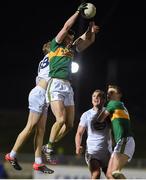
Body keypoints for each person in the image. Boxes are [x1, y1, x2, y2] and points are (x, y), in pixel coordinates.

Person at [42, 2, 100, 164]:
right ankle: (49, 148)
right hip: (55, 85)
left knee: (69, 125)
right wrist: (77, 12)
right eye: (69, 35)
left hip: (67, 86)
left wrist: (90, 30)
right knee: (60, 120)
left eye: (72, 36)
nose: (71, 37)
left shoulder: (72, 48)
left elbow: (87, 41)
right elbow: (67, 26)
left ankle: (48, 145)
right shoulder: (56, 45)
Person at [5, 42, 54, 174]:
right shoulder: (52, 55)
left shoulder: (46, 59)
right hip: (39, 93)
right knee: (30, 127)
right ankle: (12, 155)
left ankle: (38, 162)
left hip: (44, 96)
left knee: (41, 130)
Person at [92, 85, 135, 179]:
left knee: (115, 172)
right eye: (108, 93)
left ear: (119, 95)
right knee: (109, 175)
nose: (108, 94)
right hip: (123, 142)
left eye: (112, 92)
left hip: (125, 141)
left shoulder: (113, 103)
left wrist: (98, 109)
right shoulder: (120, 105)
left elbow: (99, 120)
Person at [75, 89, 112, 179]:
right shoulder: (86, 115)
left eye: (98, 96)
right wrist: (77, 146)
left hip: (107, 153)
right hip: (92, 152)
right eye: (94, 96)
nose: (96, 98)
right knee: (96, 174)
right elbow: (79, 133)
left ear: (104, 100)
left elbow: (116, 130)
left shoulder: (109, 113)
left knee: (111, 177)